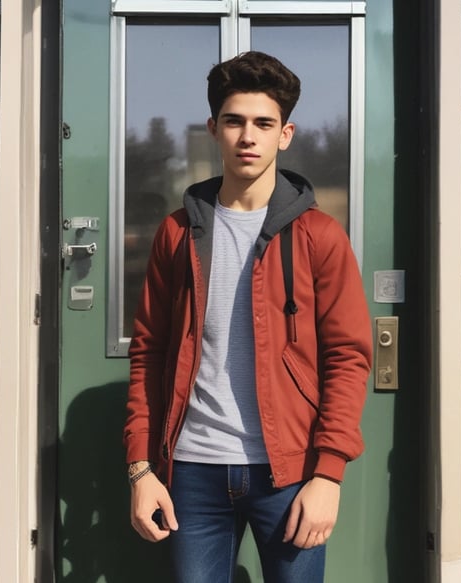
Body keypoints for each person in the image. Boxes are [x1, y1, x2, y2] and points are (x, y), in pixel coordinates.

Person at [123, 51, 372, 583]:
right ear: (214, 129)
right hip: (191, 468)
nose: (247, 136)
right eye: (234, 121)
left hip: (289, 470)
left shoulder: (320, 237)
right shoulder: (177, 233)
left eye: (264, 123)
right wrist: (141, 468)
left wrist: (328, 475)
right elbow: (149, 351)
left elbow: (348, 358)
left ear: (285, 134)